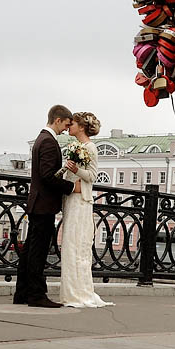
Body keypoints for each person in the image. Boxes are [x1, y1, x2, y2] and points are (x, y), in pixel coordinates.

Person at [15, 105, 76, 308]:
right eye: (66, 125)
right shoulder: (49, 142)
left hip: (37, 202)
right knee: (38, 252)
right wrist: (70, 187)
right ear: (57, 120)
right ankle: (36, 295)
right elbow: (47, 176)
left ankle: (22, 292)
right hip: (44, 205)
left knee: (29, 251)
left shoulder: (40, 139)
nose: (67, 129)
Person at [58, 111, 114, 309]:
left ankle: (78, 293)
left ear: (81, 127)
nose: (68, 127)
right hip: (72, 199)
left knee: (77, 246)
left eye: (71, 124)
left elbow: (92, 176)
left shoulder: (90, 147)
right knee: (70, 246)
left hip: (81, 200)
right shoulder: (79, 146)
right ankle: (71, 292)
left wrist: (75, 171)